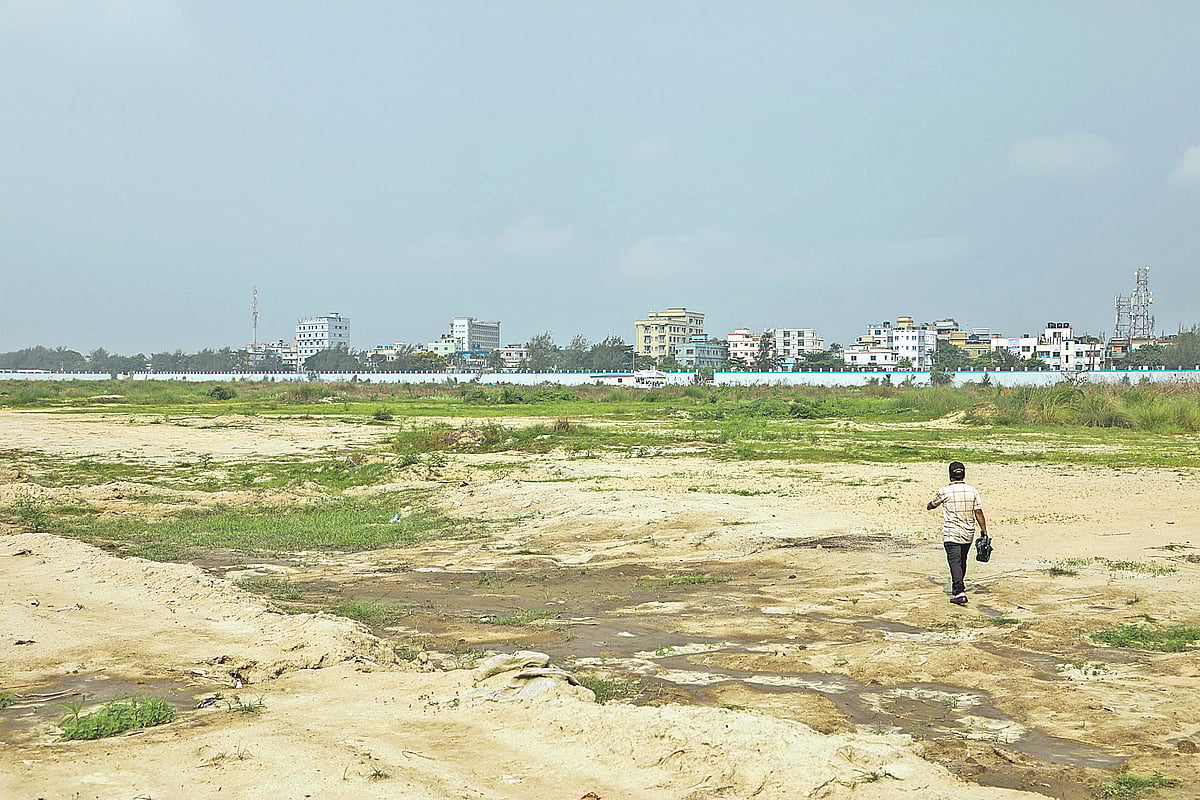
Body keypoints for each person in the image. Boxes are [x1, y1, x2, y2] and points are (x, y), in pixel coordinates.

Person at [926, 461, 987, 605]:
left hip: (951, 532)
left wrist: (928, 506)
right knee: (962, 560)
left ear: (950, 475)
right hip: (968, 532)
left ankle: (959, 591)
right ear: (964, 474)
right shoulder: (972, 491)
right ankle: (958, 586)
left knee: (954, 561)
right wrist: (984, 531)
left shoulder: (944, 491)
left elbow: (932, 504)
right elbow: (978, 512)